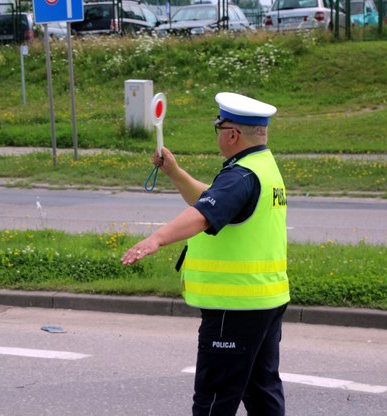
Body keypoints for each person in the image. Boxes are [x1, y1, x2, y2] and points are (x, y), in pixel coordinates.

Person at [121, 92, 289, 416]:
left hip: (234, 307)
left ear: (232, 134)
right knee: (262, 393)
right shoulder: (262, 167)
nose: (218, 134)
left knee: (214, 401)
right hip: (265, 301)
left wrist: (156, 239)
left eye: (219, 127)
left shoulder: (241, 175)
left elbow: (203, 214)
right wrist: (174, 172)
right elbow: (213, 200)